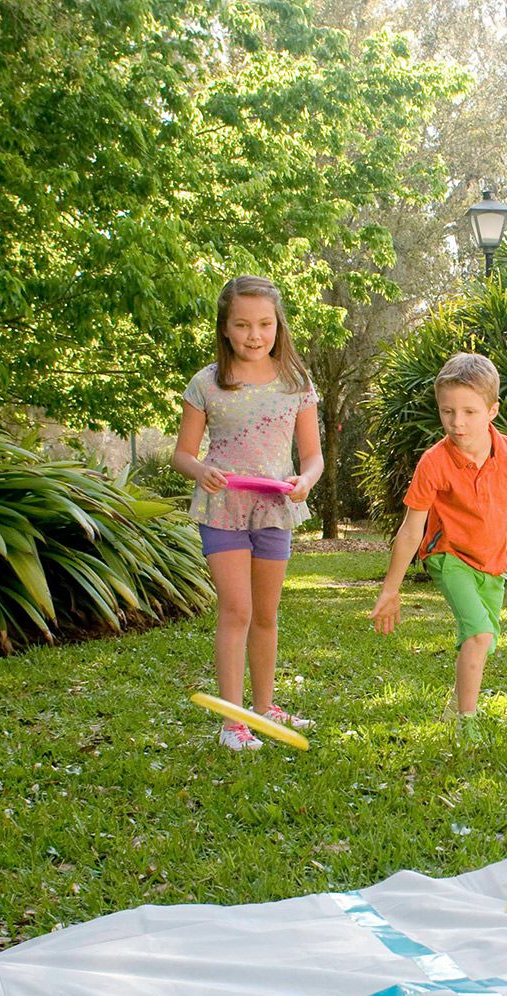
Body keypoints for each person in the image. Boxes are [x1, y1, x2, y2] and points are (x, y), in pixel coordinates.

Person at [172, 275, 322, 751]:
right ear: (225, 328)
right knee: (236, 610)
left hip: (275, 509)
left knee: (266, 613)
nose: (254, 335)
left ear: (278, 325)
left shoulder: (297, 382)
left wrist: (306, 481)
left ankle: (265, 707)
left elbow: (313, 456)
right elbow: (182, 454)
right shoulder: (208, 382)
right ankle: (232, 722)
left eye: (264, 324)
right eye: (242, 325)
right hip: (223, 508)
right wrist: (201, 471)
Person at [371, 353, 507, 742]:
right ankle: (467, 726)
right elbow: (411, 529)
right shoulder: (433, 462)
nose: (457, 423)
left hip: (494, 562)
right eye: (448, 412)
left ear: (492, 410)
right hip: (449, 557)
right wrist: (390, 588)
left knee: (481, 644)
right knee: (479, 634)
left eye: (469, 412)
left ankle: (455, 705)